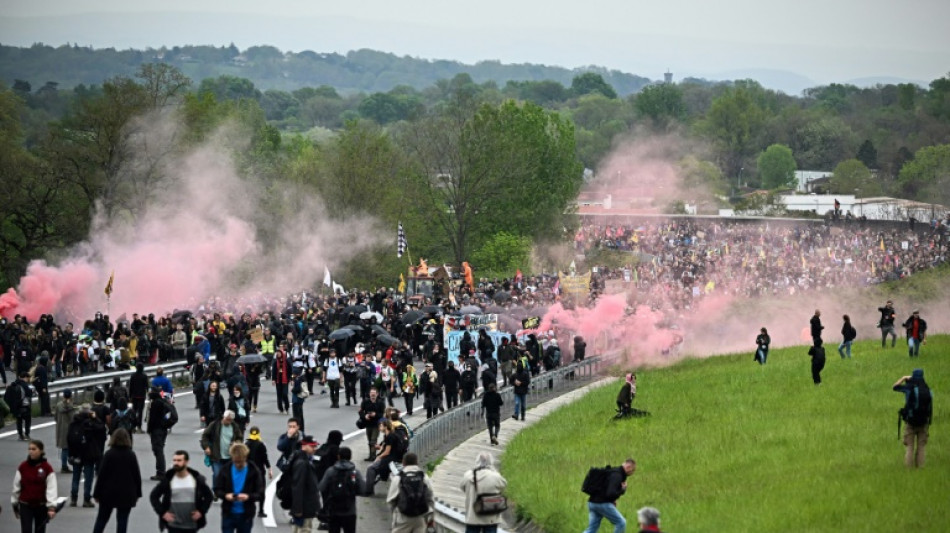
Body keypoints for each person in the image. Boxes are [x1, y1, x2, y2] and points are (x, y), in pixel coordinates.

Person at [149, 450, 215, 533]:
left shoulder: (196, 479)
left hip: (191, 525)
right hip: (173, 525)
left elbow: (208, 496)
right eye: (174, 460)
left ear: (186, 462)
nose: (176, 463)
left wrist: (201, 511)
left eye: (179, 460)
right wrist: (163, 513)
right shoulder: (168, 479)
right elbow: (154, 496)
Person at [91, 428, 142, 533]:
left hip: (108, 493)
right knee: (122, 521)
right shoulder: (131, 455)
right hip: (126, 493)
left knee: (101, 519)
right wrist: (138, 493)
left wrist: (96, 494)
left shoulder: (109, 454)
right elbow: (136, 476)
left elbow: (101, 476)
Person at [214, 442, 264, 533]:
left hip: (246, 514)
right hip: (228, 513)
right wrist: (225, 496)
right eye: (235, 462)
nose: (238, 464)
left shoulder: (254, 471)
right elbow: (217, 489)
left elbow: (260, 493)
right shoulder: (225, 470)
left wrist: (248, 496)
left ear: (245, 458)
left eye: (240, 462)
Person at [12, 439, 59, 533]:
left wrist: (51, 507)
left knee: (40, 530)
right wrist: (15, 504)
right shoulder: (23, 467)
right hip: (25, 504)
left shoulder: (47, 468)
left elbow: (51, 488)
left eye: (34, 449)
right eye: (29, 449)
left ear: (41, 451)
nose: (31, 451)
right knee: (26, 530)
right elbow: (16, 487)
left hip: (41, 505)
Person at [582, 458, 636, 533]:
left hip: (592, 503)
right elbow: (610, 493)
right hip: (602, 504)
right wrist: (622, 490)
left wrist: (613, 500)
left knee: (591, 529)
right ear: (628, 467)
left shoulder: (612, 471)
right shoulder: (617, 475)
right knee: (621, 523)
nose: (632, 473)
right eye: (633, 470)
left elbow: (605, 488)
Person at [317, 446, 364, 533]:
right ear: (350, 457)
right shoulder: (355, 472)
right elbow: (363, 490)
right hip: (350, 510)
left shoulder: (330, 471)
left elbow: (321, 487)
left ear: (338, 456)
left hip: (334, 510)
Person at [459, 452, 508, 533]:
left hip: (473, 517)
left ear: (477, 462)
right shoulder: (495, 476)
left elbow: (462, 486)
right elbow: (504, 485)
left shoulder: (468, 476)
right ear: (491, 462)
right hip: (491, 517)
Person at [386, 452, 434, 533]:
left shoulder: (398, 478)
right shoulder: (424, 477)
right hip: (420, 517)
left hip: (402, 517)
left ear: (403, 463)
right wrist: (430, 518)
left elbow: (391, 500)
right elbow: (431, 499)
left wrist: (395, 516)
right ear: (417, 462)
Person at [893, 369, 932, 468]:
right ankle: (920, 468)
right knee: (921, 447)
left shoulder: (909, 388)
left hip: (910, 421)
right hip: (923, 422)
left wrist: (903, 378)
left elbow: (895, 387)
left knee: (910, 446)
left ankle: (908, 469)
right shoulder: (927, 389)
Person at [68, 408, 106, 508]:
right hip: (89, 455)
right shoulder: (90, 424)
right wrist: (96, 418)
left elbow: (69, 439)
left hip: (76, 454)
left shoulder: (73, 424)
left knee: (75, 477)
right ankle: (86, 499)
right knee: (88, 478)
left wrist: (71, 454)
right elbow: (102, 428)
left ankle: (73, 498)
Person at [289, 435, 321, 533]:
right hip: (304, 507)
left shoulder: (304, 460)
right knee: (304, 529)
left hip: (305, 506)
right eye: (312, 446)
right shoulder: (302, 463)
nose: (314, 449)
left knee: (297, 529)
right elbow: (298, 487)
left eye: (315, 446)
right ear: (304, 446)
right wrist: (298, 509)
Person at [200, 410, 245, 481]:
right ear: (224, 417)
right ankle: (216, 490)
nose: (229, 422)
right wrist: (206, 447)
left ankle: (225, 491)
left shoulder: (234, 426)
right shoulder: (215, 425)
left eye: (230, 420)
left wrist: (236, 443)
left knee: (229, 476)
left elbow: (240, 438)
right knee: (217, 475)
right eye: (227, 420)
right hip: (217, 456)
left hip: (230, 457)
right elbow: (205, 436)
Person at [148, 386, 178, 481]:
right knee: (158, 450)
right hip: (161, 429)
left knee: (158, 450)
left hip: (157, 430)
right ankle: (161, 471)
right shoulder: (163, 401)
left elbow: (153, 419)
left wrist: (164, 424)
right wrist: (166, 424)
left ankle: (161, 472)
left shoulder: (157, 403)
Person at [365, 419, 401, 496]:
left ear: (386, 426)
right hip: (393, 457)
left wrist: (379, 457)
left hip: (390, 459)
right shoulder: (389, 435)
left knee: (371, 468)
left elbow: (387, 452)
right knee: (373, 468)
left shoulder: (389, 437)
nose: (379, 427)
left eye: (381, 426)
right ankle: (369, 487)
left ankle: (368, 490)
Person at [244, 427, 273, 518]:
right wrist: (269, 468)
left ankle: (248, 509)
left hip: (248, 471)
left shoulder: (246, 444)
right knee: (261, 491)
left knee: (249, 490)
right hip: (260, 471)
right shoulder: (261, 445)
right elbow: (265, 458)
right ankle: (261, 510)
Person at [54, 388, 78, 473]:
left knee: (64, 448)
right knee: (67, 448)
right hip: (69, 430)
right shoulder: (71, 407)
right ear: (70, 396)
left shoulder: (58, 405)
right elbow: (73, 419)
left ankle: (63, 465)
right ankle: (65, 465)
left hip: (60, 429)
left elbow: (55, 417)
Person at [4, 372, 34, 440]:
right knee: (27, 420)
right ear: (25, 377)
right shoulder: (24, 385)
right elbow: (29, 394)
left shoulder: (13, 384)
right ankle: (27, 434)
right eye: (28, 378)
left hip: (16, 406)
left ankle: (20, 435)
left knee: (19, 421)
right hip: (24, 405)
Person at [359, 387, 386, 462]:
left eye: (374, 394)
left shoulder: (380, 403)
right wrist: (365, 416)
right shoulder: (365, 402)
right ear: (369, 394)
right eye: (371, 394)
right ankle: (371, 454)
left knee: (373, 440)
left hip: (376, 424)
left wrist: (375, 415)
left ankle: (373, 456)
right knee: (369, 440)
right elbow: (360, 411)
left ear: (377, 394)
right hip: (368, 424)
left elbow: (383, 414)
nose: (373, 395)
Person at [128, 363, 149, 433]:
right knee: (140, 412)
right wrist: (148, 393)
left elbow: (130, 387)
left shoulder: (133, 376)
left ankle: (133, 427)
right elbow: (147, 386)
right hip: (142, 396)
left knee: (134, 411)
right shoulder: (144, 376)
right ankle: (139, 427)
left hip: (134, 396)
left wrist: (130, 396)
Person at [272, 343, 292, 414]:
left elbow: (290, 371)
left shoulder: (286, 362)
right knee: (279, 395)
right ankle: (280, 408)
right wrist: (273, 379)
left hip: (285, 380)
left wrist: (291, 379)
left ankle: (287, 407)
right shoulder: (275, 362)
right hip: (278, 380)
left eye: (279, 353)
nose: (278, 354)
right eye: (277, 353)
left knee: (284, 394)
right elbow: (274, 371)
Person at [291, 364, 308, 433]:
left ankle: (297, 428)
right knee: (300, 415)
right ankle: (302, 429)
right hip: (301, 399)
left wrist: (292, 389)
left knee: (296, 416)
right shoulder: (302, 378)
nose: (292, 375)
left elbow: (297, 390)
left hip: (296, 399)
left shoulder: (298, 380)